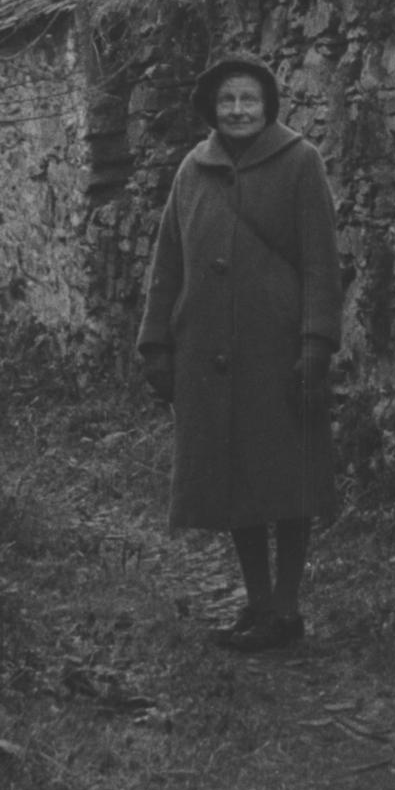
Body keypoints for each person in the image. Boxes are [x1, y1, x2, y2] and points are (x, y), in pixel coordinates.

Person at [136, 52, 341, 650]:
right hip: (208, 355)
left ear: (268, 104)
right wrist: (156, 344)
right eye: (227, 100)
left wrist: (316, 345)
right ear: (211, 108)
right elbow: (166, 263)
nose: (238, 110)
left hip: (279, 353)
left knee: (288, 479)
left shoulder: (301, 163)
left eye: (249, 99)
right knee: (235, 482)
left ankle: (286, 608)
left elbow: (322, 265)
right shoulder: (191, 172)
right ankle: (256, 603)